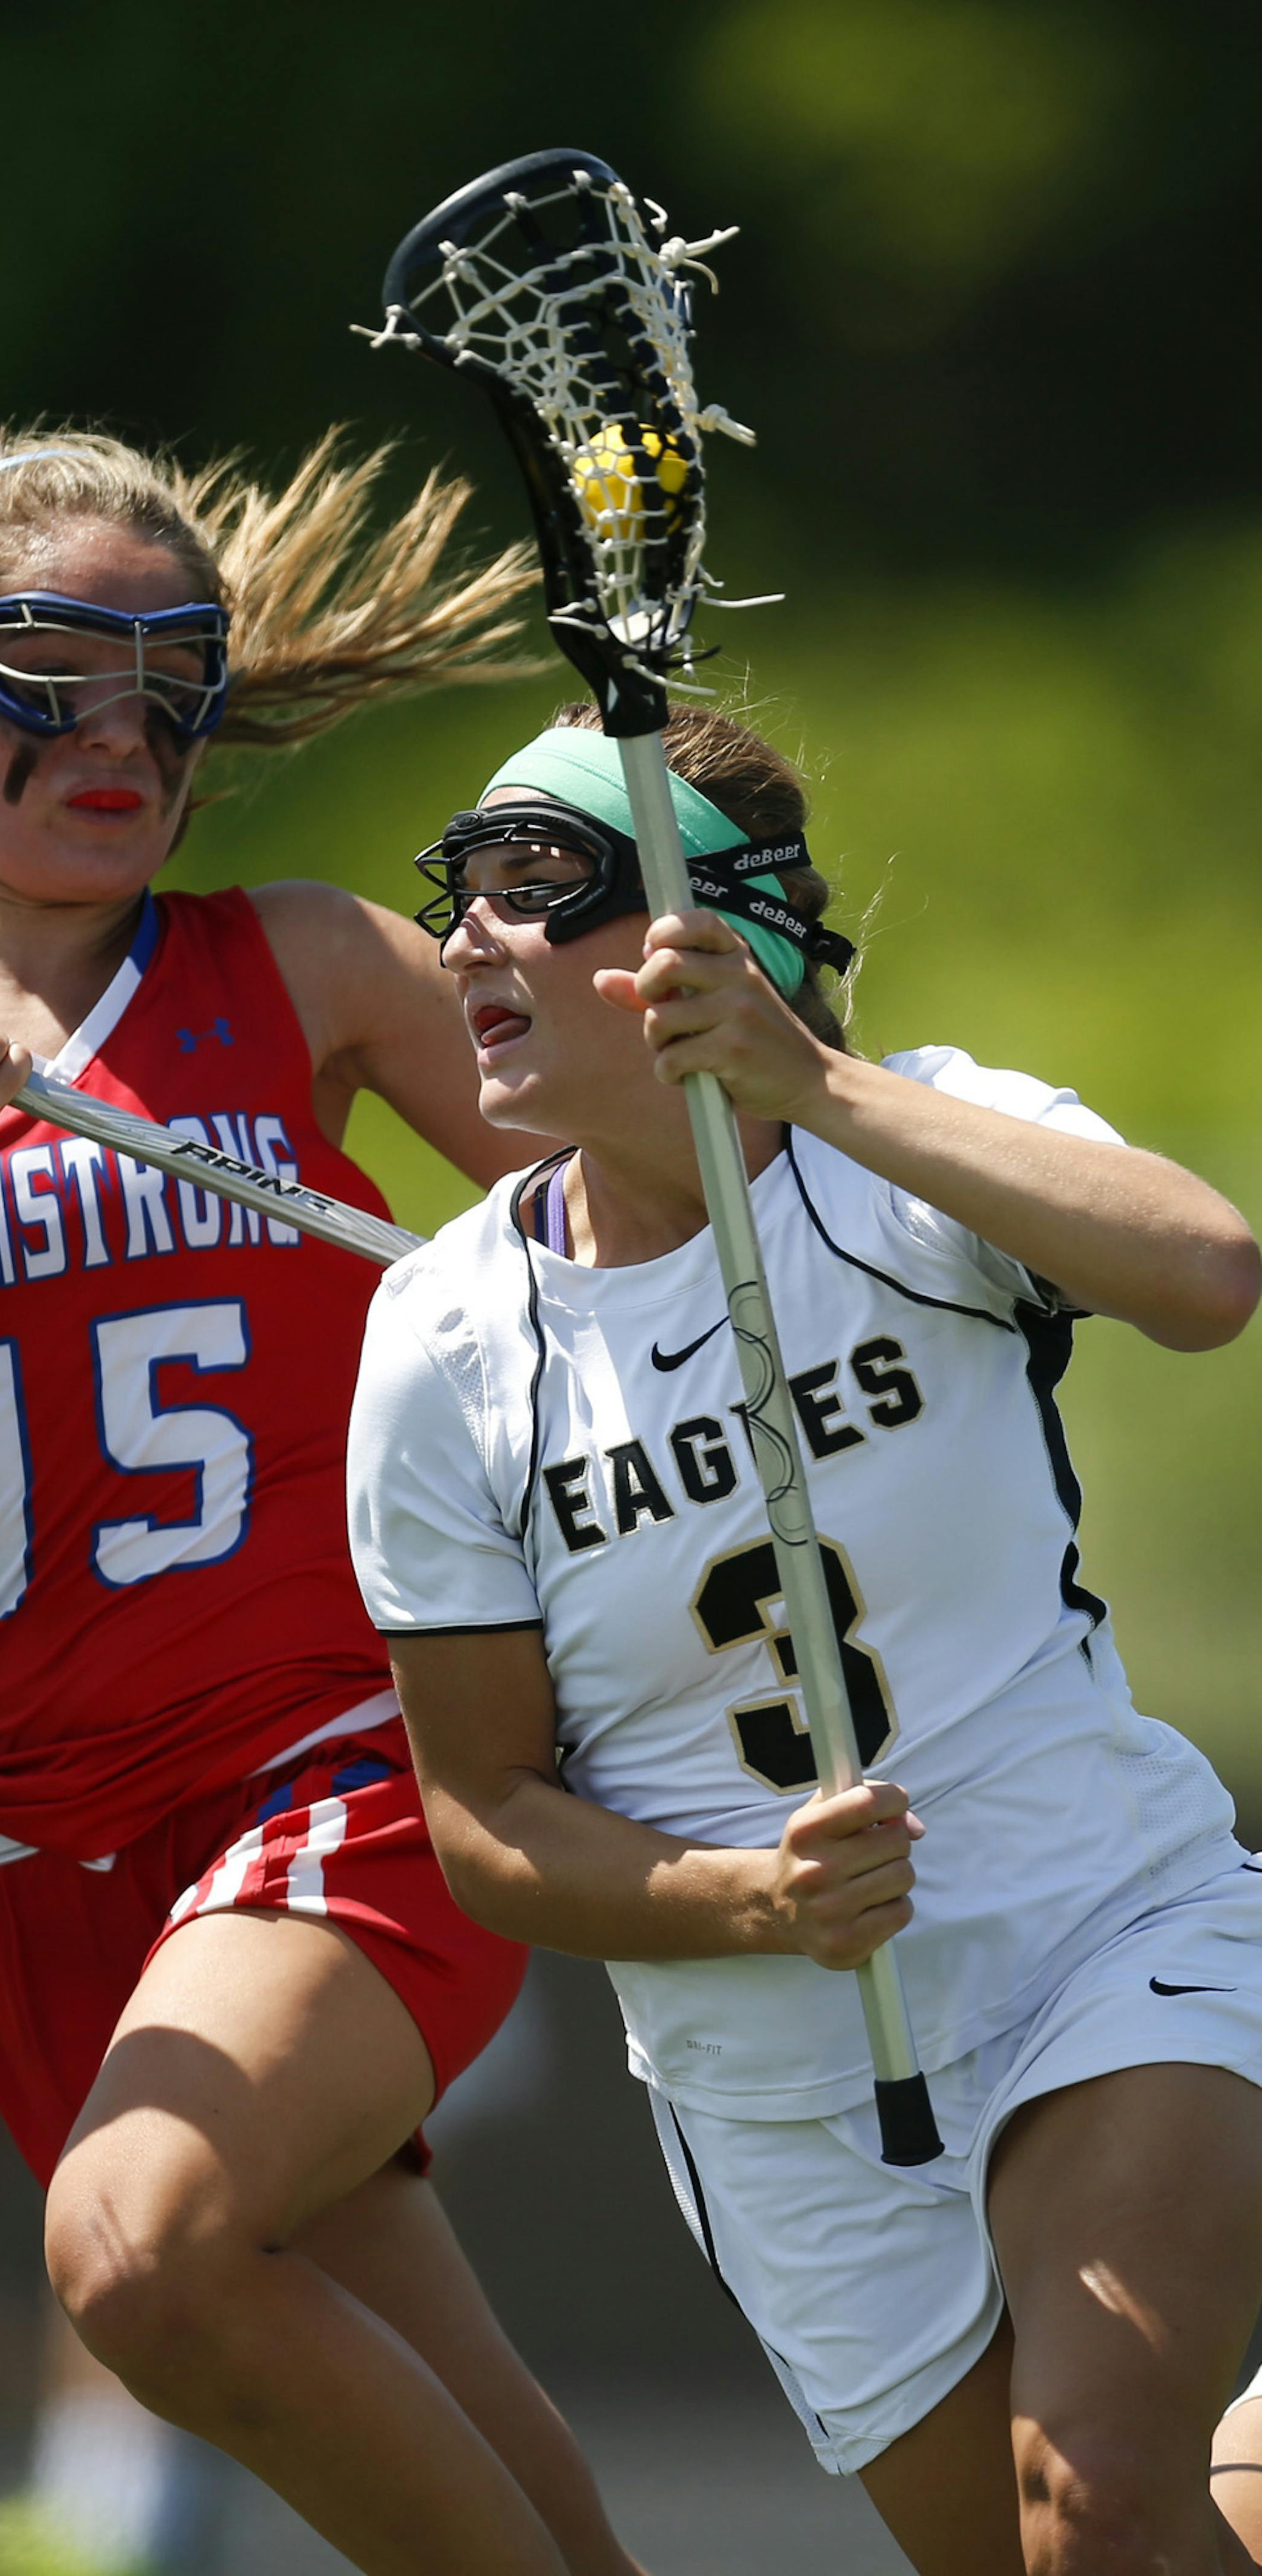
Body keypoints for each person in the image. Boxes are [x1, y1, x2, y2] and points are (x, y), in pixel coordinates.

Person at [348, 698, 1262, 2576]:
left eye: (541, 888)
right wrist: (748, 1900)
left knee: (1088, 2499)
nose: (466, 943)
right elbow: (486, 1818)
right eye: (462, 893)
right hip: (777, 2079)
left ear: (712, 932)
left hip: (1099, 1924)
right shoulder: (443, 1346)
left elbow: (1205, 1274)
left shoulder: (915, 1144)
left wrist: (811, 1084)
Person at [0, 430, 648, 2576]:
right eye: (46, 670)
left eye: (173, 679)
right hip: (17, 1853)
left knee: (142, 2257)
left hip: (323, 1774)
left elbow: (668, 1228)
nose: (122, 731)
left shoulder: (307, 969)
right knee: (484, 2479)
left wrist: (706, 1033)